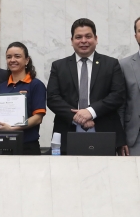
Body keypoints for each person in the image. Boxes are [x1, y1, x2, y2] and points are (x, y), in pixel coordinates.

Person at [47, 18, 126, 154]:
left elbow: (118, 95)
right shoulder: (59, 66)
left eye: (88, 36)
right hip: (68, 130)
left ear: (96, 39)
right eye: (78, 37)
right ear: (72, 41)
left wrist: (90, 112)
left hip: (104, 129)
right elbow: (53, 98)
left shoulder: (111, 64)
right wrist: (77, 117)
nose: (83, 40)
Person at [0, 42, 46, 155]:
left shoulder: (35, 85)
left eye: (17, 56)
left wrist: (13, 128)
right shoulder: (1, 87)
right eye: (9, 57)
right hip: (3, 144)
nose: (12, 60)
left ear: (27, 60)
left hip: (27, 146)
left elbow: (38, 118)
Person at [119, 17, 140, 155]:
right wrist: (120, 140)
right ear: (136, 36)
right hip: (134, 139)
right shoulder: (124, 65)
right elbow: (120, 106)